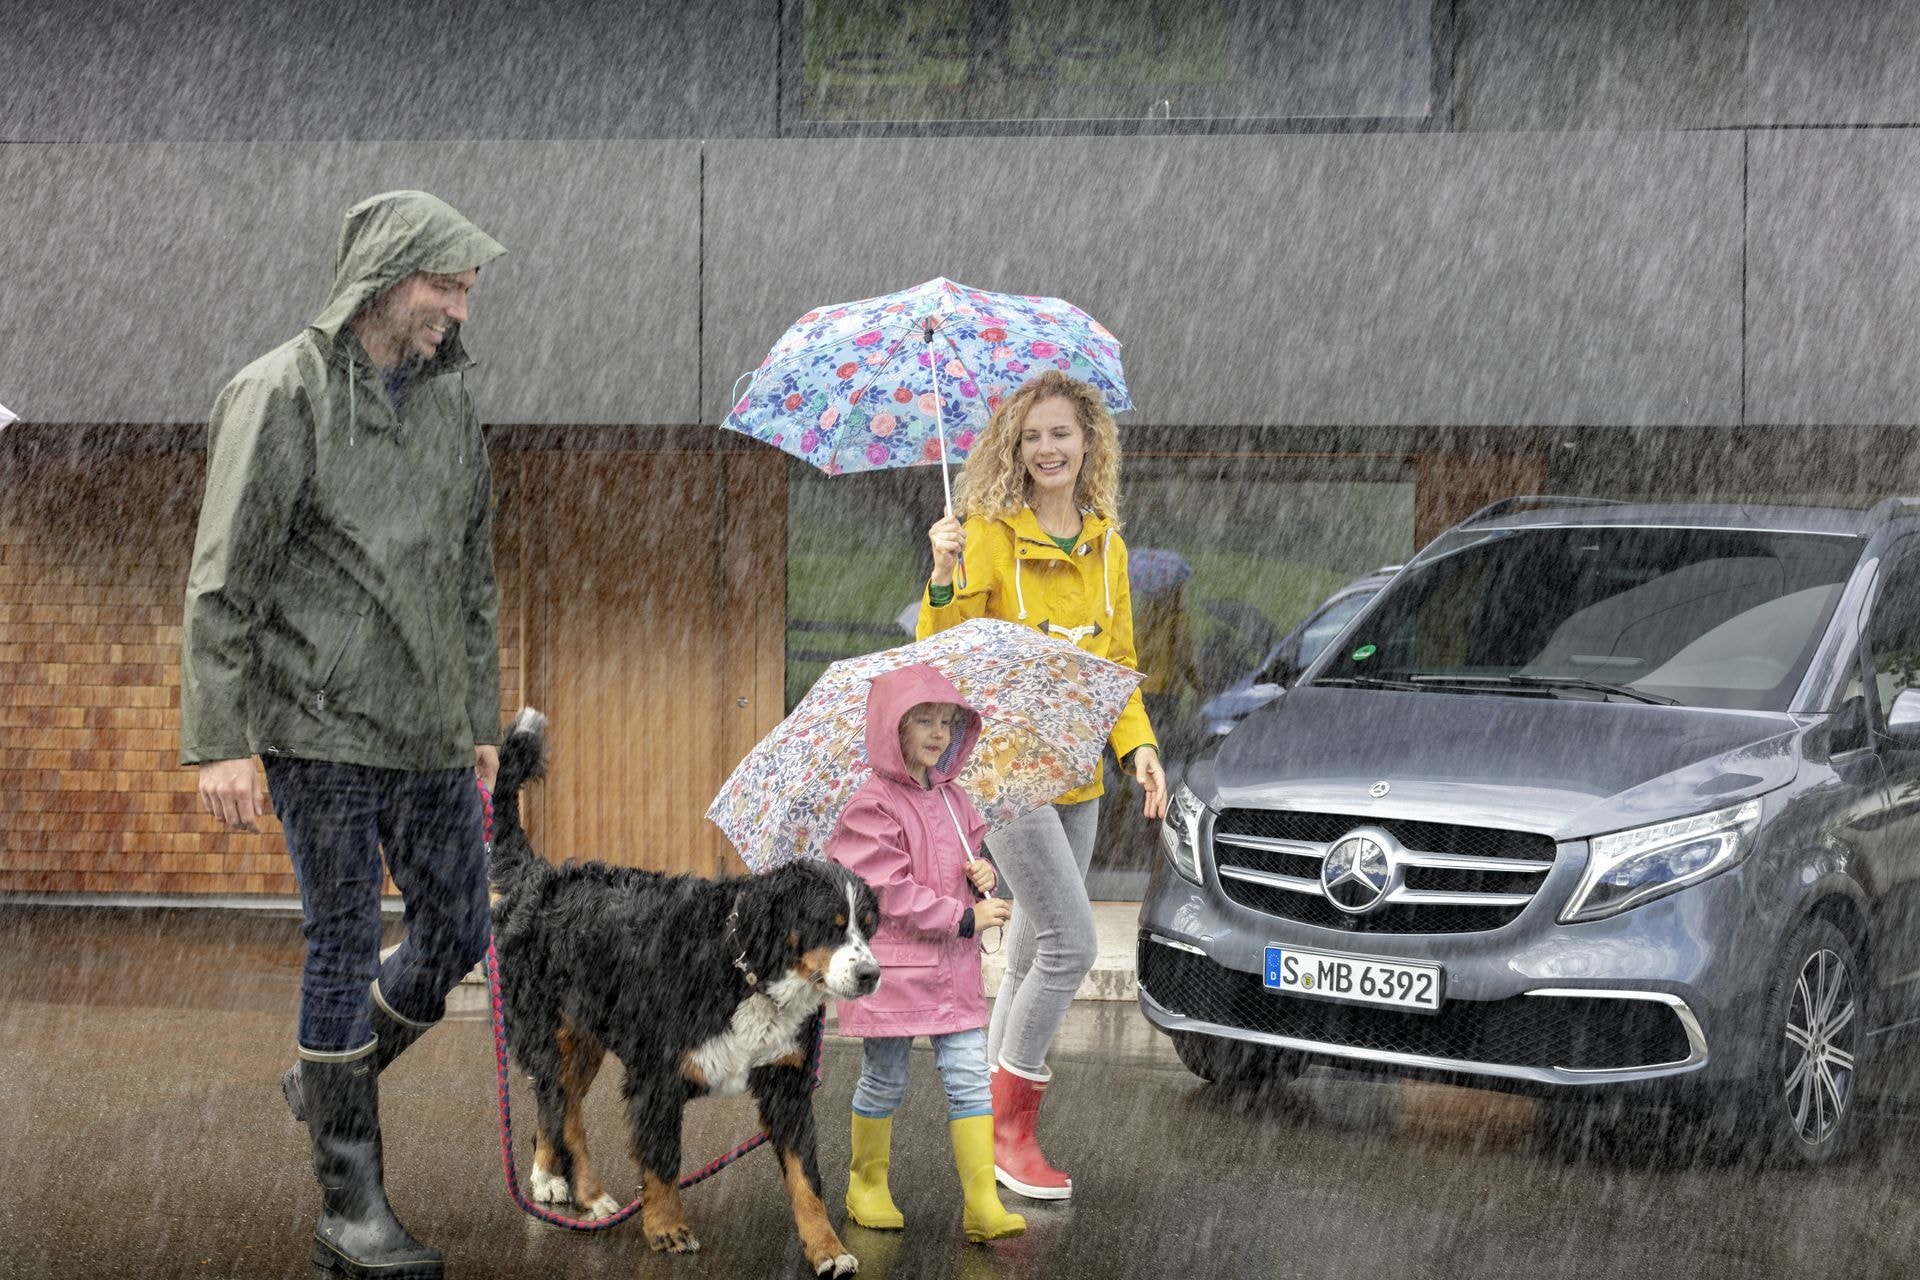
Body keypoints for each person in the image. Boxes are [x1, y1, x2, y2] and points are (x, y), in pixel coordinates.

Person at [180, 190, 505, 1280]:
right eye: (441, 285)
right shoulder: (280, 392)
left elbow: (472, 576)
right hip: (316, 725)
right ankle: (349, 1206)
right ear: (384, 274)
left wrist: (477, 718)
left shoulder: (454, 409)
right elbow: (225, 579)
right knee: (339, 934)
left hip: (424, 726)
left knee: (462, 921)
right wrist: (221, 736)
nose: (455, 310)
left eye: (464, 291)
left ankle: (329, 1073)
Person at [919, 369, 1167, 1201]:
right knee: (1073, 944)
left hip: (1077, 777)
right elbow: (943, 653)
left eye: (1061, 433)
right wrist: (944, 574)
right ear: (1013, 450)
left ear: (1088, 442)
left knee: (1028, 946)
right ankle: (1008, 1131)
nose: (1048, 448)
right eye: (1032, 437)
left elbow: (1120, 670)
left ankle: (977, 1116)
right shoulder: (985, 534)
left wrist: (1139, 751)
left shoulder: (1108, 545)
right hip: (1005, 772)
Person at [827, 665, 1026, 1244]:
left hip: (953, 971)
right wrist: (962, 916)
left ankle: (982, 1202)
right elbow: (887, 889)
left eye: (946, 722)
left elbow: (960, 868)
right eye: (923, 722)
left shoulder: (953, 797)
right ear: (894, 729)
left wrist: (979, 876)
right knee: (885, 1077)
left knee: (968, 1077)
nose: (938, 733)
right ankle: (866, 1183)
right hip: (896, 970)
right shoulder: (871, 805)